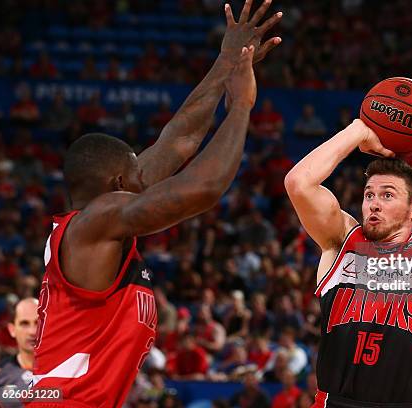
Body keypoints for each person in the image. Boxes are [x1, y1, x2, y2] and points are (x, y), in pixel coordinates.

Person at [27, 1, 282, 406]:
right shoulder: (99, 219)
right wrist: (241, 107)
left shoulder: (94, 221)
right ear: (117, 184)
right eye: (136, 176)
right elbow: (204, 188)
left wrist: (228, 60)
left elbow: (177, 140)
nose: (145, 179)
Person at [284, 88, 412, 406]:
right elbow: (298, 183)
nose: (374, 204)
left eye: (387, 195)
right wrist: (358, 129)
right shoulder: (342, 241)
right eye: (369, 194)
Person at [0, 298, 38, 406]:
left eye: (38, 322)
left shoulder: (69, 371)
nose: (33, 331)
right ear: (12, 329)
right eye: (24, 323)